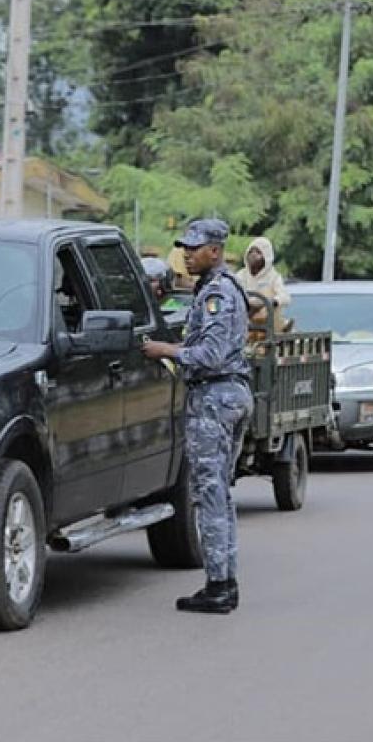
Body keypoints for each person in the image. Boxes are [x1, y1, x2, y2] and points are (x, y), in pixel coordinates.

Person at [142, 219, 252, 615]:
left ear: (216, 251)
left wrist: (164, 351)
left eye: (195, 248)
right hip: (222, 396)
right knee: (218, 491)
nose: (187, 254)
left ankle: (219, 585)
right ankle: (223, 581)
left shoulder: (218, 294)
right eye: (184, 248)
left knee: (210, 493)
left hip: (216, 398)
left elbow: (211, 355)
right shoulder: (212, 289)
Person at [236, 236, 291, 332]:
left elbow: (285, 297)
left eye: (258, 252)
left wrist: (271, 302)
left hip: (268, 321)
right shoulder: (241, 275)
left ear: (267, 256)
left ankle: (282, 327)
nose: (253, 255)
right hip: (246, 318)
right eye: (251, 252)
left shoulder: (274, 276)